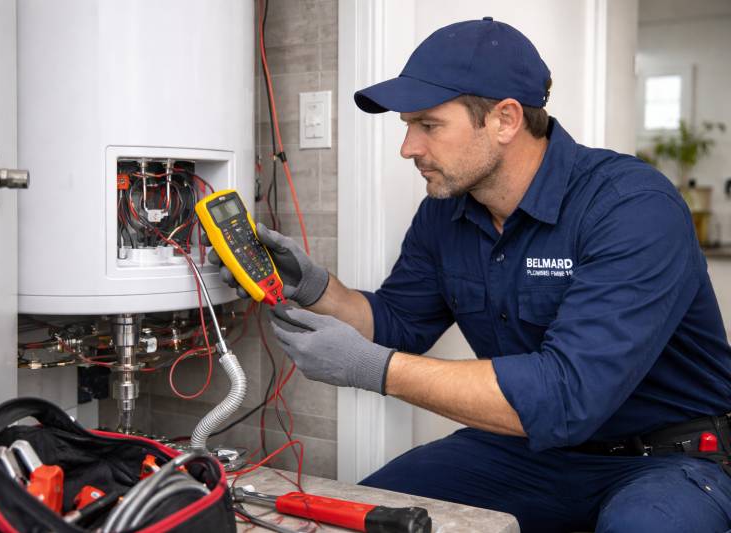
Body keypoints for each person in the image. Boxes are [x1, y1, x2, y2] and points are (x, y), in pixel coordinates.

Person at [213, 17, 731, 532]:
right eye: (407, 126)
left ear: (505, 120)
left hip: (668, 460)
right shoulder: (446, 212)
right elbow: (397, 321)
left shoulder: (632, 206)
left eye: (429, 125)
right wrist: (317, 288)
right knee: (368, 515)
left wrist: (373, 368)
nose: (408, 147)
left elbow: (568, 395)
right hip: (531, 453)